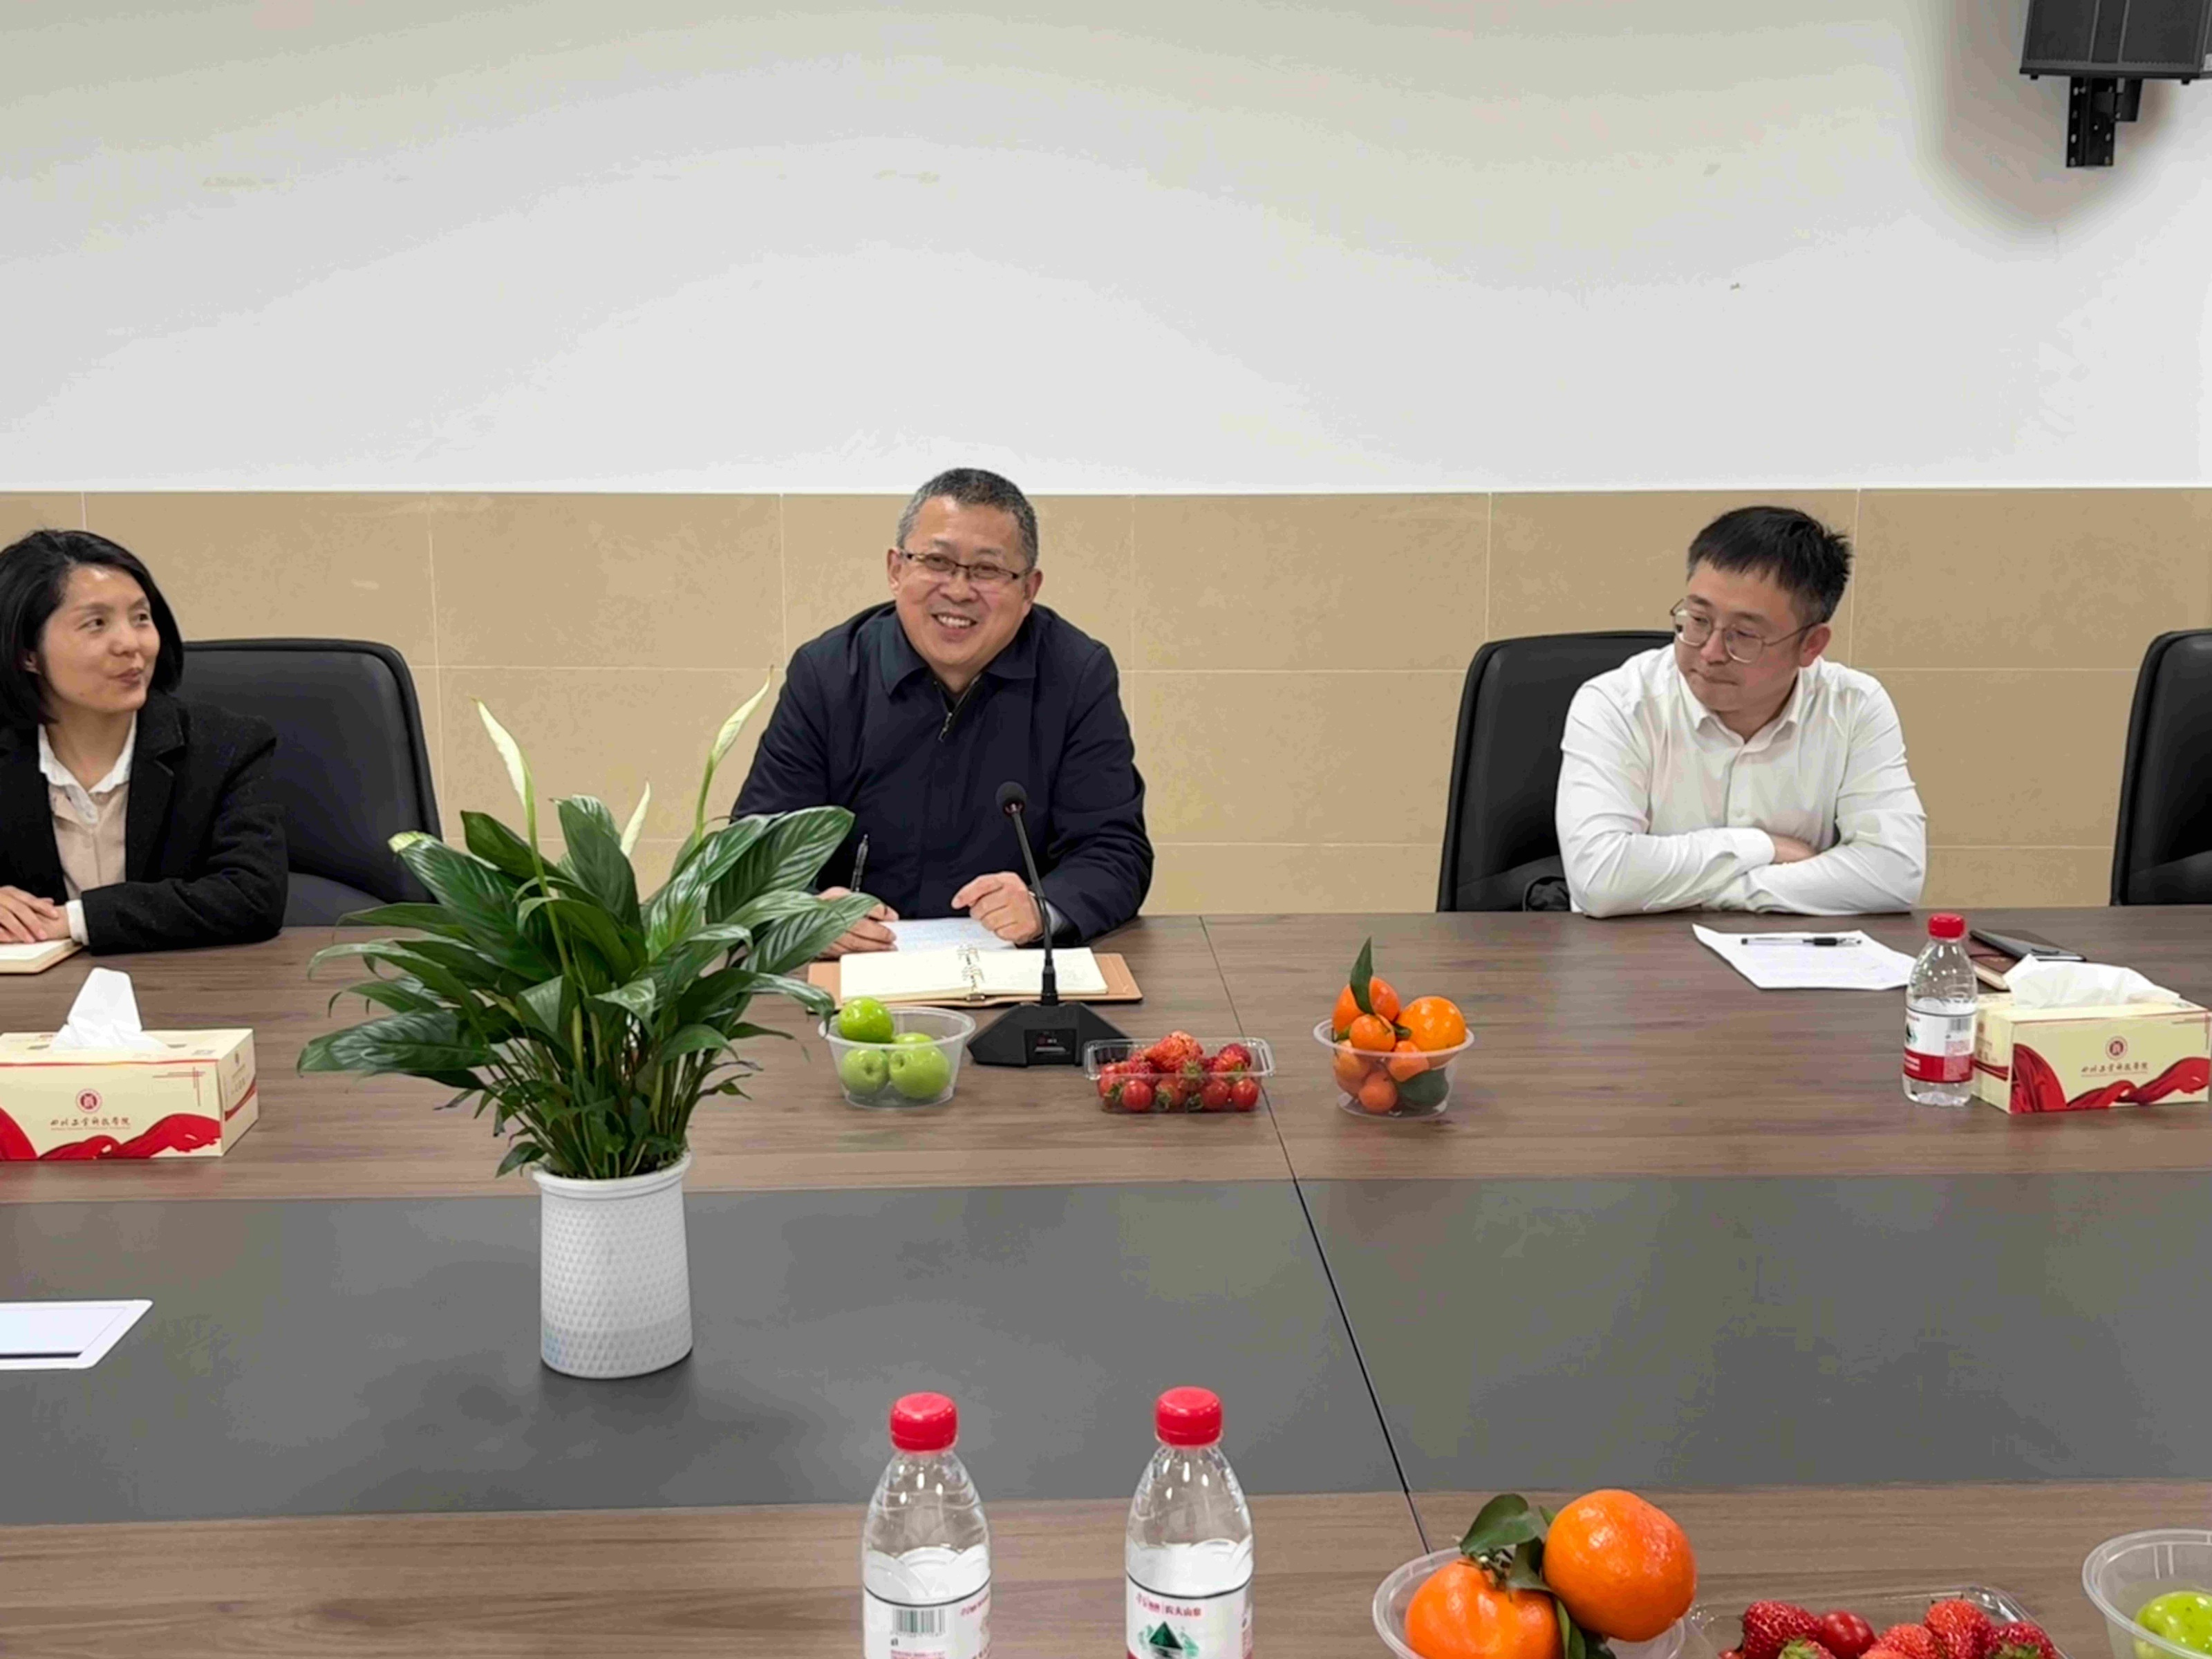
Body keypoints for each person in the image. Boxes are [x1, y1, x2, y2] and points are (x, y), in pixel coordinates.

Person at [733, 467, 1152, 953]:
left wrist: (1044, 907)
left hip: (1012, 966)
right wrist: (806, 914)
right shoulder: (828, 673)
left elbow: (1114, 850)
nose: (958, 590)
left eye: (988, 570)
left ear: (1029, 590)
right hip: (855, 970)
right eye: (937, 561)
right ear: (896, 570)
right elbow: (755, 852)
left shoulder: (1076, 674)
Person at [1555, 505, 1926, 917]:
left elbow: (1895, 873)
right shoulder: (1617, 702)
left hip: (1792, 951)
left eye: (1744, 634)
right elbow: (1601, 880)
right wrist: (1765, 848)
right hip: (1633, 954)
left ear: (1810, 645)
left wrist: (1724, 890)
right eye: (1698, 619)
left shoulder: (1854, 706)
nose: (1711, 652)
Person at [0, 529, 287, 952]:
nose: (131, 644)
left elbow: (253, 896)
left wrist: (74, 920)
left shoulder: (228, 746)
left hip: (188, 983)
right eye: (96, 624)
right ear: (27, 653)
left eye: (140, 618)